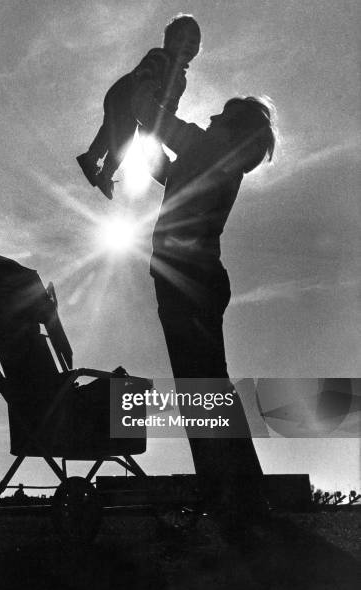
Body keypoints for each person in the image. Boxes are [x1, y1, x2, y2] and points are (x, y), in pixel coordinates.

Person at [131, 82, 277, 538]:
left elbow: (158, 121)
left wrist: (151, 90)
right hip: (198, 279)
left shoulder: (214, 145)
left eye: (219, 116)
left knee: (203, 392)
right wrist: (143, 134)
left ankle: (236, 498)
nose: (211, 118)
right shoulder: (216, 158)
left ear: (231, 127)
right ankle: (237, 496)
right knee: (209, 389)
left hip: (186, 281)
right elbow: (165, 170)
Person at [76, 14, 201, 200]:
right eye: (180, 39)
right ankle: (92, 158)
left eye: (193, 42)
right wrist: (147, 86)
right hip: (125, 95)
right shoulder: (161, 57)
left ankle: (105, 173)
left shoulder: (180, 81)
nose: (187, 45)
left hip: (139, 109)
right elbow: (146, 72)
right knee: (117, 130)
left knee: (124, 136)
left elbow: (170, 106)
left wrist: (163, 124)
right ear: (168, 42)